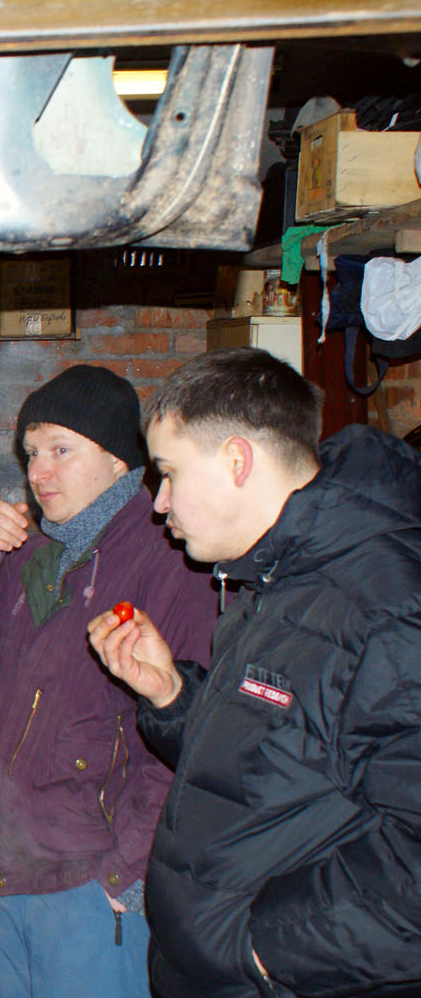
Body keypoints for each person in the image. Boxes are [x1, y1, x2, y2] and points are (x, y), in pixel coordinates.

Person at [88, 346, 421, 998]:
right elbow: (275, 768)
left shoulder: (388, 608)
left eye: (169, 473)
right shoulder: (276, 580)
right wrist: (172, 693)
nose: (159, 502)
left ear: (237, 461)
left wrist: (262, 950)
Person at [0, 364, 216, 998]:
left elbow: (191, 736)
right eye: (31, 452)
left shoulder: (169, 560)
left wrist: (126, 874)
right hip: (18, 861)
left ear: (117, 460)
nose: (38, 472)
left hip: (95, 881)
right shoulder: (36, 551)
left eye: (61, 450)